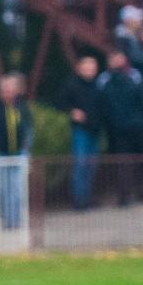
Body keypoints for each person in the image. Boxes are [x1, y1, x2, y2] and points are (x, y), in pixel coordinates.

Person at [97, 50, 143, 205]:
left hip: (134, 125)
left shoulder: (134, 76)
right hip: (120, 127)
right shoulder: (105, 79)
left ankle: (138, 192)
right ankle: (127, 194)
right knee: (125, 160)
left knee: (137, 159)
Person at [0, 74, 33, 229]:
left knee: (18, 189)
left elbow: (29, 130)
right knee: (3, 189)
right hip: (0, 154)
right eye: (5, 90)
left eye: (11, 89)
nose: (8, 93)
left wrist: (25, 149)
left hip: (18, 154)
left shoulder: (22, 107)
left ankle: (17, 220)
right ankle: (7, 220)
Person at [58, 55, 102, 210]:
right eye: (87, 67)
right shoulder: (72, 85)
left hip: (95, 130)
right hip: (80, 130)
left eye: (92, 68)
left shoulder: (98, 85)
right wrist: (72, 112)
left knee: (92, 166)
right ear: (80, 68)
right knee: (80, 165)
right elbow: (60, 102)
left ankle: (88, 199)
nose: (90, 71)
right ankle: (79, 201)